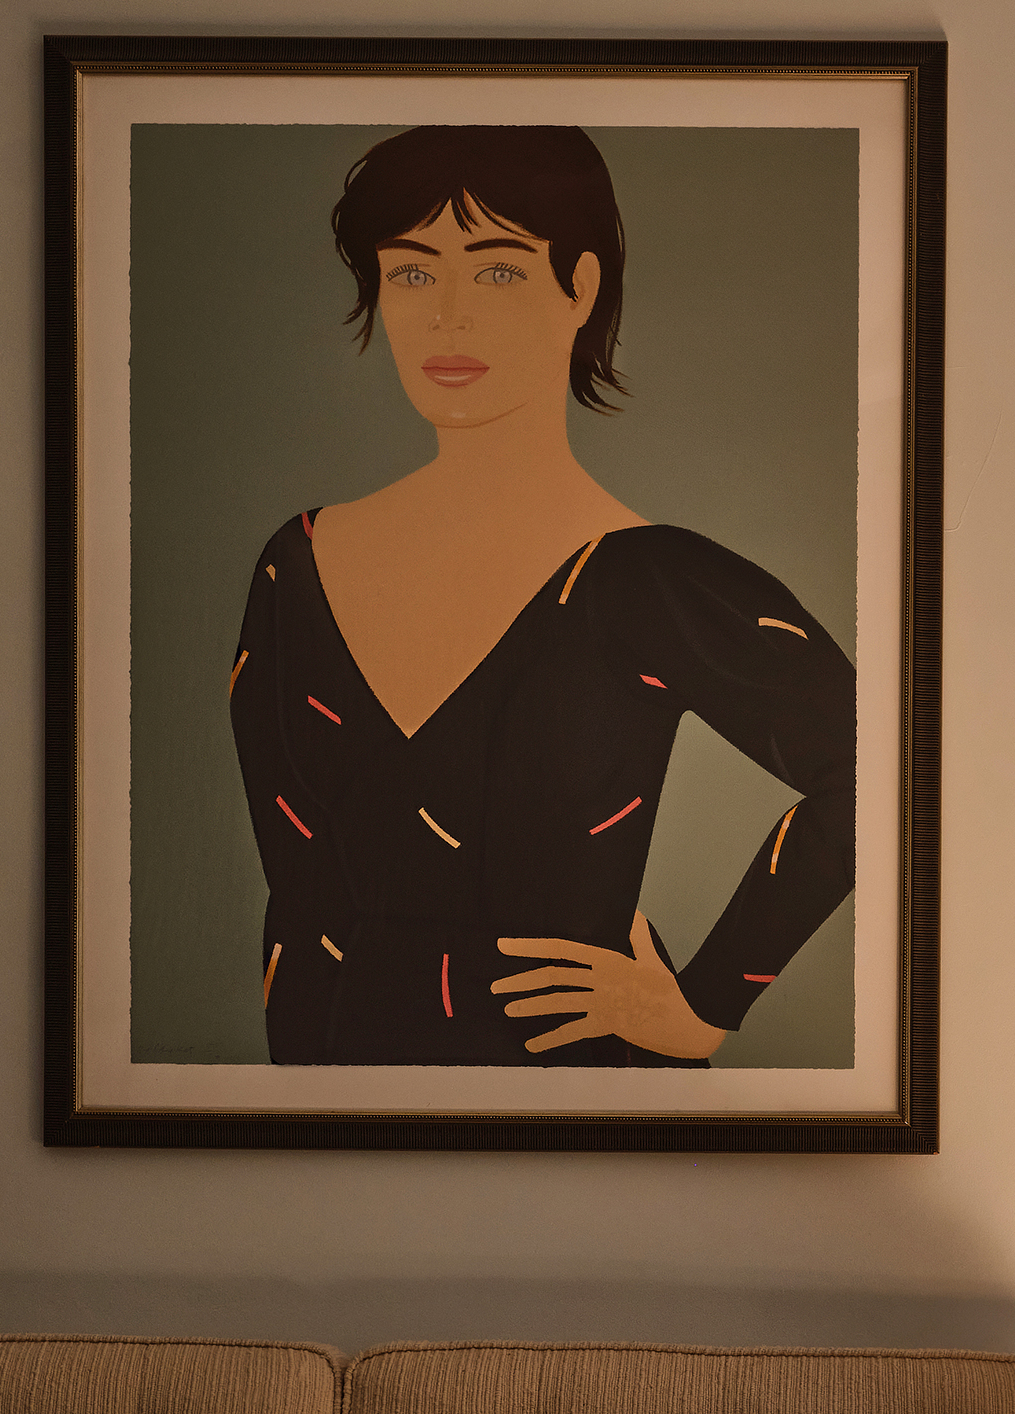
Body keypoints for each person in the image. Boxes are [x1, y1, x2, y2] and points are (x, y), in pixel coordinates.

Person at [227, 123, 855, 1066]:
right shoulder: (297, 564)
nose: (448, 316)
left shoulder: (646, 579)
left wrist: (703, 1006)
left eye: (498, 271)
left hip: (579, 1105)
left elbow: (884, 770)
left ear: (580, 288)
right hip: (327, 1104)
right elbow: (298, 902)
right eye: (412, 272)